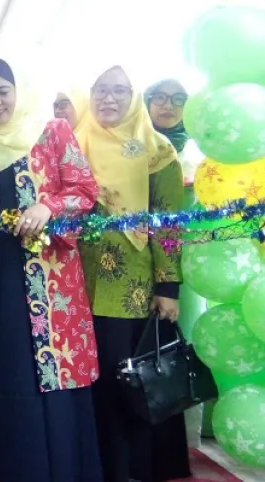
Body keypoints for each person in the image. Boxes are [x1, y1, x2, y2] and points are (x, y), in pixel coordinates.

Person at [0, 58, 103, 482]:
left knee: (41, 368)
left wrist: (48, 207)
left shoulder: (53, 132)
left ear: (23, 91)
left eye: (4, 91)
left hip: (47, 280)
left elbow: (85, 190)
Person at [75, 65, 190, 482]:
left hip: (132, 288)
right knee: (87, 379)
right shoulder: (74, 145)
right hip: (74, 287)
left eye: (120, 91)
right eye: (101, 90)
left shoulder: (157, 151)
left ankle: (129, 468)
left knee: (127, 379)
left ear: (134, 97)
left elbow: (168, 225)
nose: (109, 98)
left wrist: (168, 286)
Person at [145, 78, 206, 449]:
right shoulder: (134, 145)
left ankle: (181, 444)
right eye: (159, 98)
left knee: (184, 348)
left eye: (178, 99)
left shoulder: (201, 151)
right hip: (142, 260)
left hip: (189, 263)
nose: (168, 106)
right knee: (145, 350)